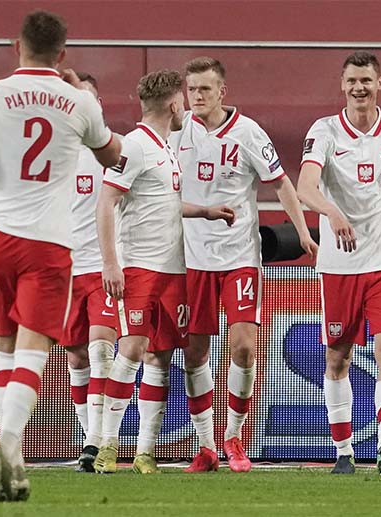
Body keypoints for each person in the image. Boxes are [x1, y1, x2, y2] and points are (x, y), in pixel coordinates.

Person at [0, 10, 121, 501]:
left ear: (15, 47)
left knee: (3, 345)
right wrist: (85, 99)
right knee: (34, 347)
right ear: (62, 54)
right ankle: (8, 443)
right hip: (48, 240)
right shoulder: (76, 100)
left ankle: (14, 460)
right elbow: (113, 157)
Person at [170, 57, 317, 473]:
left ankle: (234, 436)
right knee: (194, 352)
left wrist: (302, 232)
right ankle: (205, 446)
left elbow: (281, 183)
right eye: (192, 89)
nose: (197, 96)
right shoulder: (176, 133)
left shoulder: (248, 132)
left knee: (245, 347)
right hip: (191, 259)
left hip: (239, 258)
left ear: (222, 92)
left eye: (205, 89)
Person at [297, 51, 381, 475]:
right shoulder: (324, 131)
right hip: (339, 265)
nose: (359, 87)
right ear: (343, 85)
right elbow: (305, 186)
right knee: (337, 358)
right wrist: (332, 213)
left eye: (366, 80)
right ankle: (343, 451)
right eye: (352, 81)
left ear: (380, 84)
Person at [92, 70, 235, 474]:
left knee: (161, 356)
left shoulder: (165, 147)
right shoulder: (134, 146)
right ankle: (107, 445)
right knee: (131, 350)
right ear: (174, 104)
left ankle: (144, 451)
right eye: (182, 101)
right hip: (139, 267)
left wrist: (204, 211)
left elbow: (162, 202)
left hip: (173, 270)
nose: (186, 108)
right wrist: (110, 262)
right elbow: (105, 203)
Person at [58, 72, 119, 473]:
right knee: (77, 356)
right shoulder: (51, 155)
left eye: (87, 99)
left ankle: (96, 442)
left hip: (101, 266)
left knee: (100, 351)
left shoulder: (112, 151)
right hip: (64, 271)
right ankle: (88, 439)